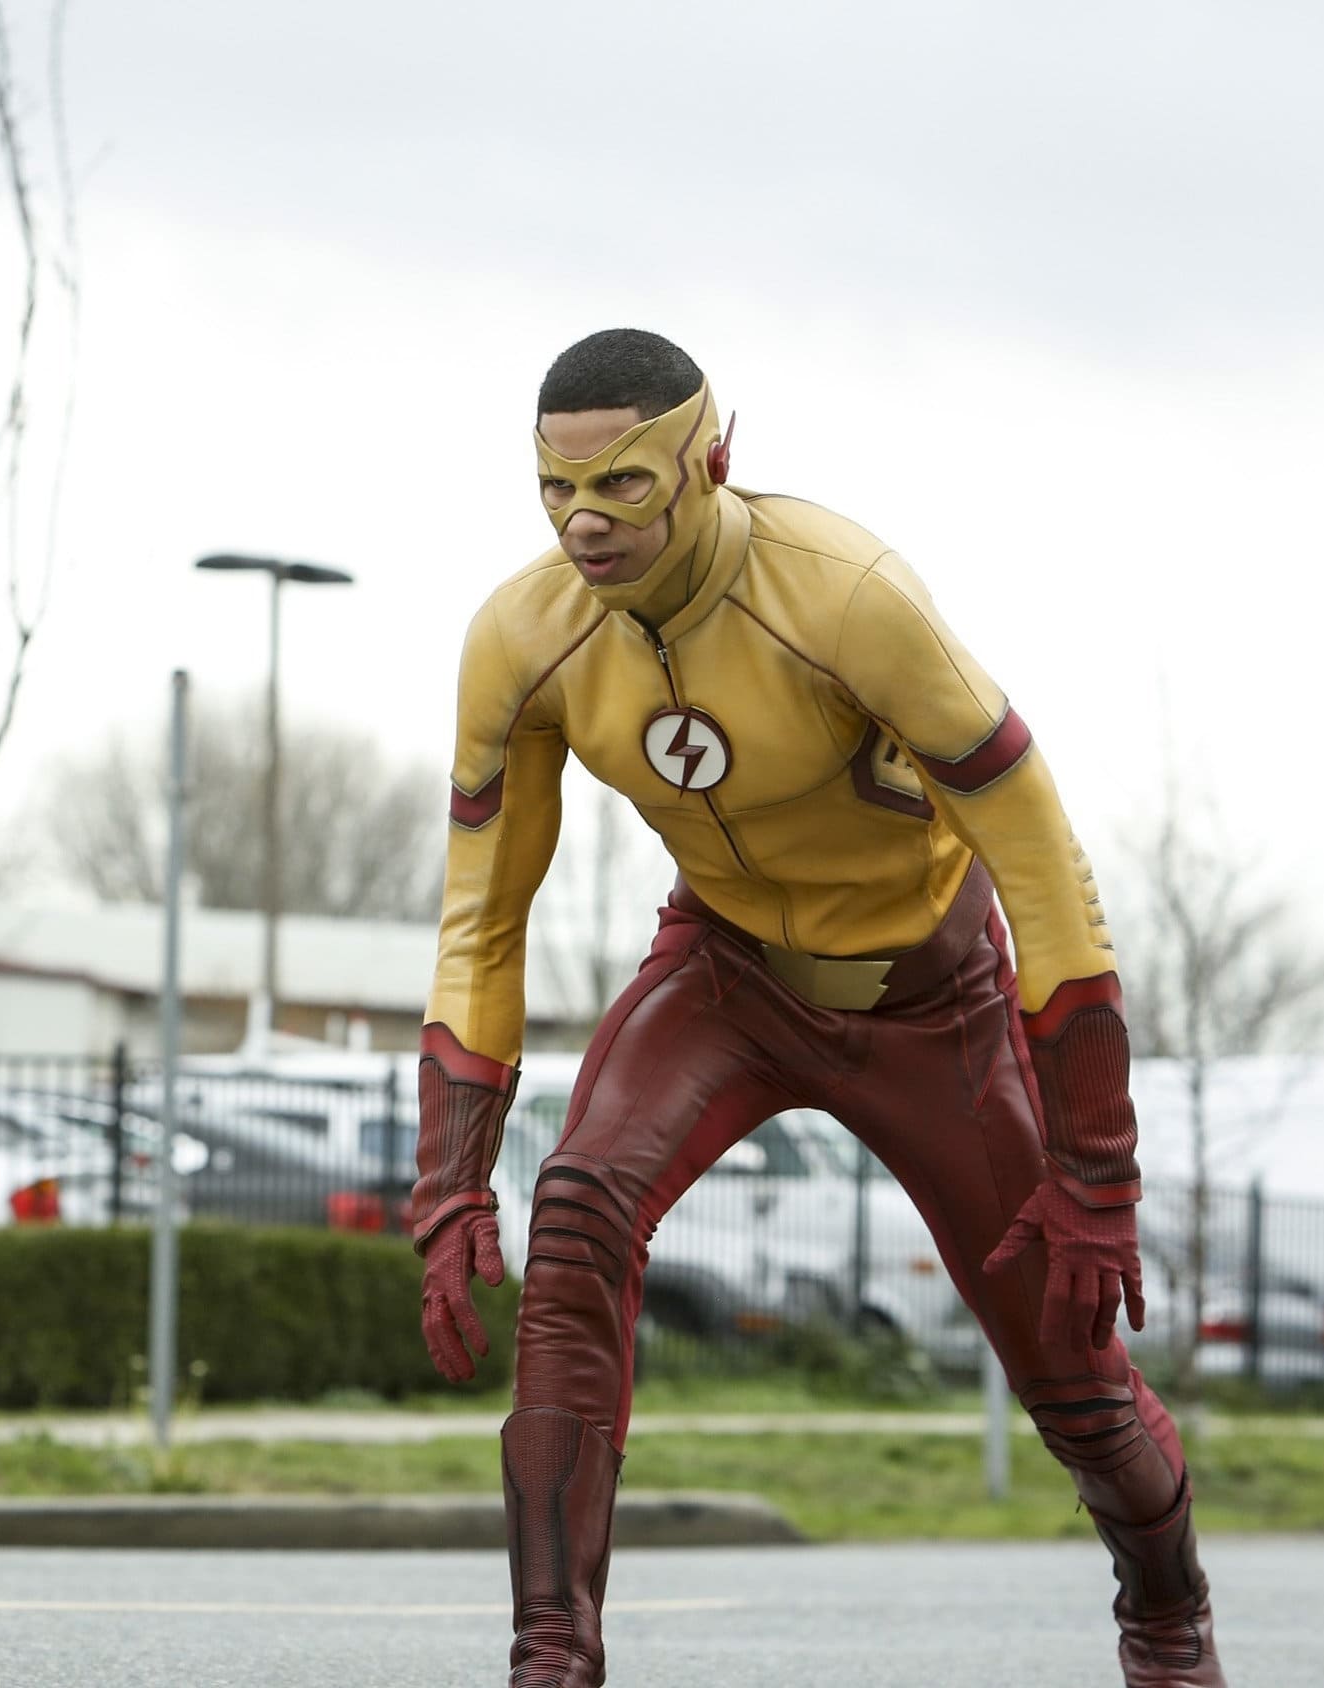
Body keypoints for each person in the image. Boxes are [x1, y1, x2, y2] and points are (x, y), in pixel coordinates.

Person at [410, 328, 1224, 1687]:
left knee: (1071, 1373)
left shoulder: (848, 596)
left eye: (621, 483)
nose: (584, 522)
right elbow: (481, 917)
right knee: (578, 1211)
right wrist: (446, 1181)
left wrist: (1098, 1163)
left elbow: (1041, 862)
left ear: (711, 459)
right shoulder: (522, 637)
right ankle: (550, 1660)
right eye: (556, 488)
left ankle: (1168, 1615)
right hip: (726, 975)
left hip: (934, 1000)